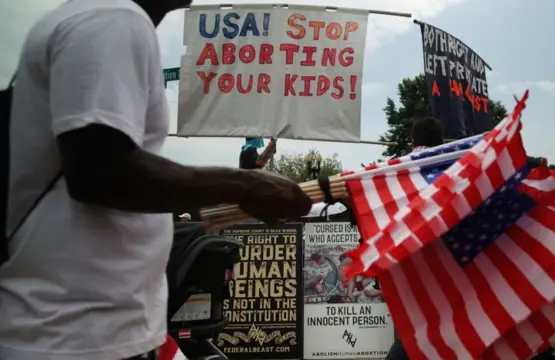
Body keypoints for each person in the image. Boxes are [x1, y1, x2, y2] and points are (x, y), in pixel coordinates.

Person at [0, 1, 311, 359]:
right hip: (78, 333)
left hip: (79, 327)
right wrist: (244, 185)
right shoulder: (113, 18)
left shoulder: (97, 17)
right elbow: (101, 169)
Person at [385, 116, 445, 360]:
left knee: (409, 333)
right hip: (445, 260)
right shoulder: (451, 165)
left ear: (413, 140)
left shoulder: (396, 169)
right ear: (440, 140)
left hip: (408, 264)